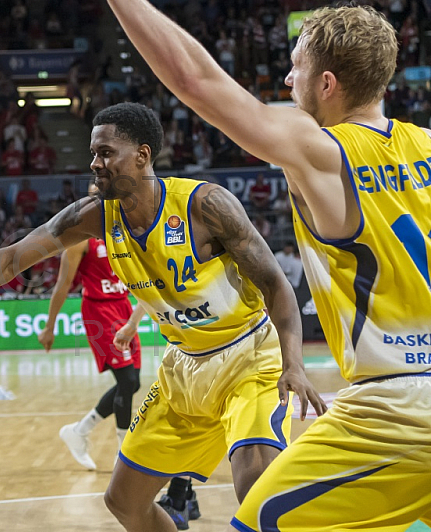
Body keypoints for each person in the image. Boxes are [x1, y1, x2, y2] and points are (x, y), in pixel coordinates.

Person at [103, 2, 431, 531]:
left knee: (258, 522)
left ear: (327, 84)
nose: (286, 77)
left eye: (296, 66)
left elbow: (194, 79)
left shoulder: (323, 150)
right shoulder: (427, 147)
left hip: (393, 411)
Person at [0, 103, 325, 532]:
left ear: (142, 155)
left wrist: (294, 365)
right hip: (184, 366)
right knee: (123, 502)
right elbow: (13, 258)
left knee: (257, 488)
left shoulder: (205, 205)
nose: (95, 164)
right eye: (93, 153)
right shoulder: (95, 215)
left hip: (248, 357)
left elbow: (276, 286)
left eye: (105, 153)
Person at [37, 184, 143, 470]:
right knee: (127, 382)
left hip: (124, 306)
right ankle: (125, 456)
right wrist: (49, 327)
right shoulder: (79, 239)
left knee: (132, 383)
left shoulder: (123, 231)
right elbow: (62, 285)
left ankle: (79, 431)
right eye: (95, 195)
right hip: (99, 311)